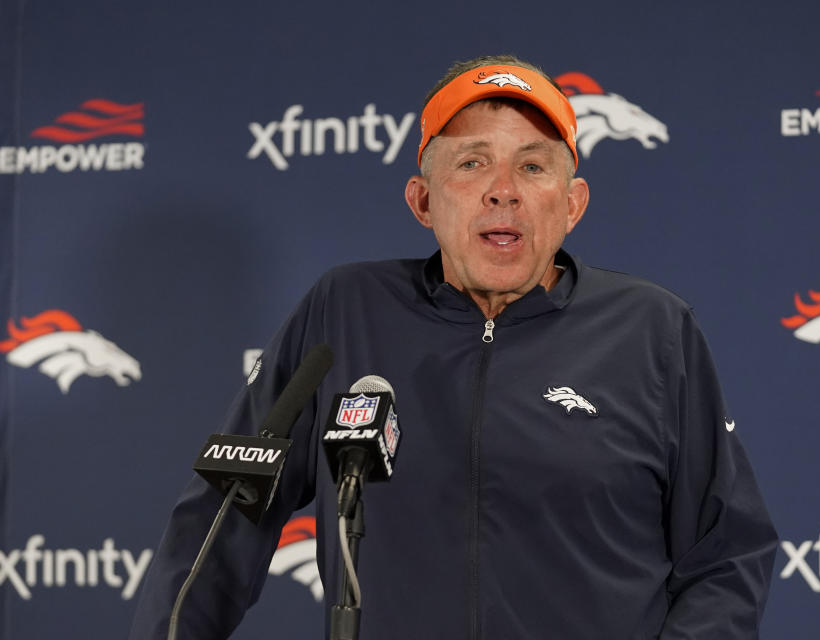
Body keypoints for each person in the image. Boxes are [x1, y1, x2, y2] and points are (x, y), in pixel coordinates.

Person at [130, 54, 778, 639]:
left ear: (573, 204)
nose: (504, 189)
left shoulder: (652, 329)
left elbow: (726, 553)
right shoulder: (345, 310)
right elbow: (224, 514)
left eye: (532, 165)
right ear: (423, 200)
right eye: (471, 164)